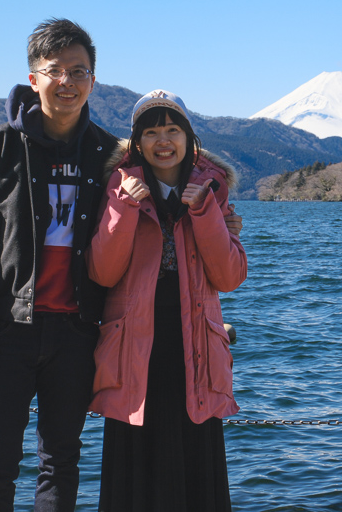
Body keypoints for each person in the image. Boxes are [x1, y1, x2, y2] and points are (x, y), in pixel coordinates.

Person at [0, 18, 117, 510]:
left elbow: (155, 204)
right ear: (34, 79)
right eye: (55, 70)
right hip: (7, 330)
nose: (67, 81)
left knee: (62, 461)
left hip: (78, 329)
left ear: (93, 80)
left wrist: (216, 211)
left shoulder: (109, 153)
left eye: (79, 71)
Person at [87, 90, 247, 511]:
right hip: (134, 349)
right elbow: (102, 272)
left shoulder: (212, 189)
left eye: (173, 129)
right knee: (133, 473)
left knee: (197, 470)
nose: (163, 140)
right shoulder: (117, 186)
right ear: (137, 142)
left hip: (195, 346)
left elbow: (229, 277)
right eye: (152, 131)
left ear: (190, 139)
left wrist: (207, 213)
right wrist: (123, 206)